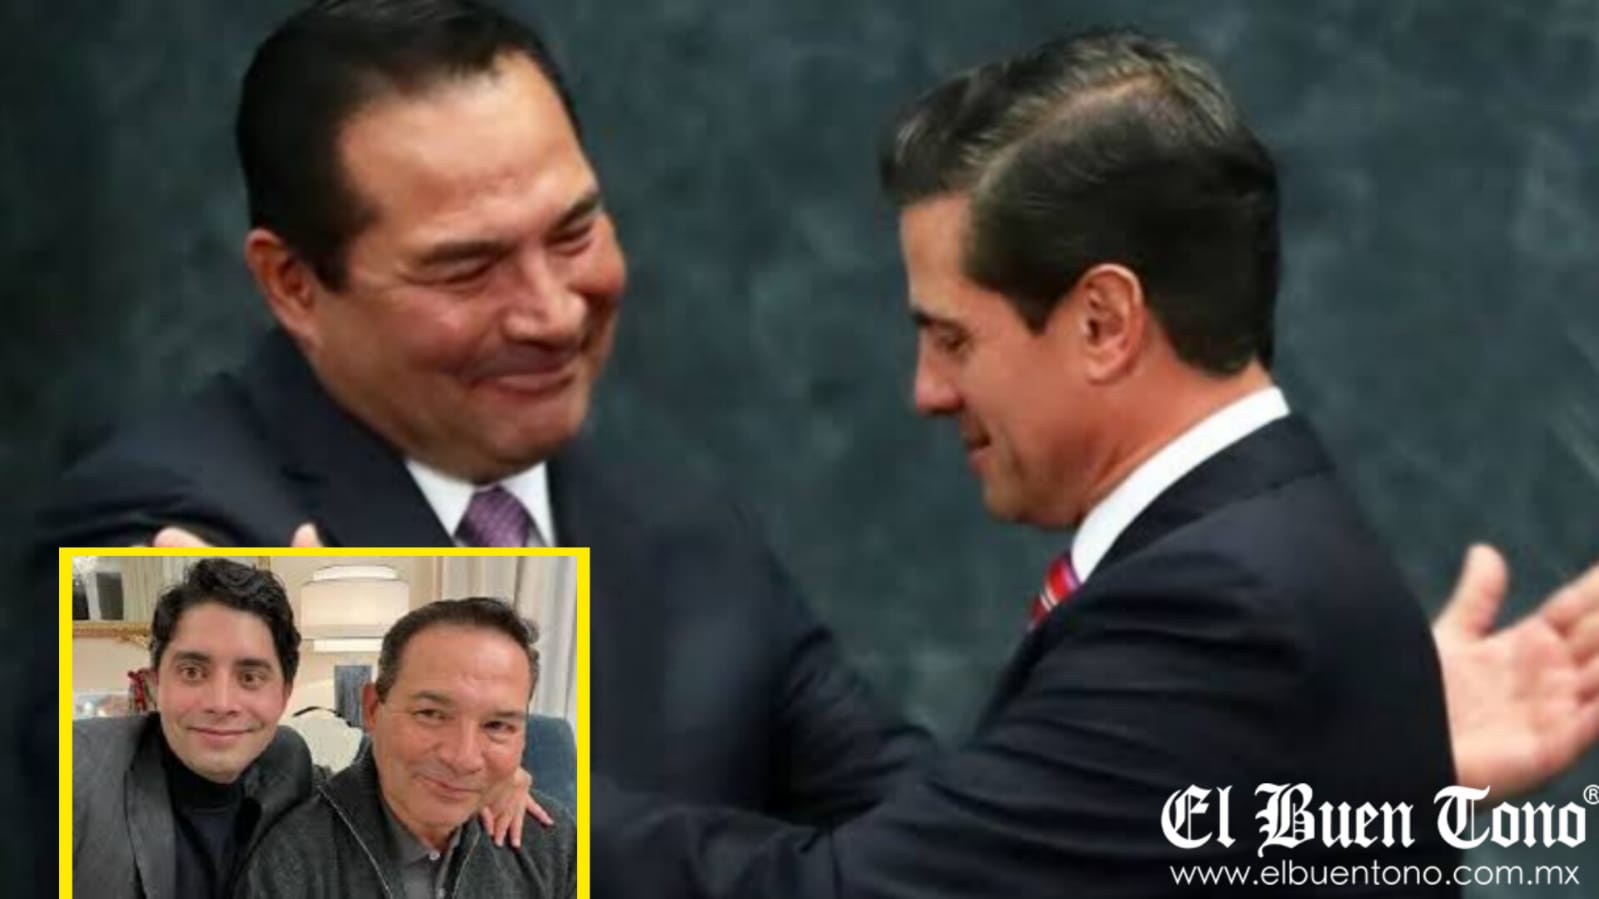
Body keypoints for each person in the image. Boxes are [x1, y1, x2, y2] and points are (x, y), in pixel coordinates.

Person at [40, 1, 1599, 888]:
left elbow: (920, 832)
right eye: (465, 266)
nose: (550, 307)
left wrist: (1285, 776)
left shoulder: (675, 523)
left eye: (574, 231)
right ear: (292, 283)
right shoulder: (166, 534)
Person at [585, 30, 1592, 898]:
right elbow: (1010, 835)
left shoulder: (1216, 612)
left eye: (953, 338)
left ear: (1104, 322)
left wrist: (505, 812)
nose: (926, 390)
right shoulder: (1267, 554)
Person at [71, 558, 544, 899]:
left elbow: (370, 788)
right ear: (155, 683)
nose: (221, 703)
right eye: (193, 672)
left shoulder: (288, 761)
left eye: (250, 677)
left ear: (284, 693)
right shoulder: (76, 773)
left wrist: (494, 776)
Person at [236, 597, 575, 898]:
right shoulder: (294, 861)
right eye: (431, 714)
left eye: (497, 726)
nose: (463, 758)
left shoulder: (554, 846)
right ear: (372, 709)